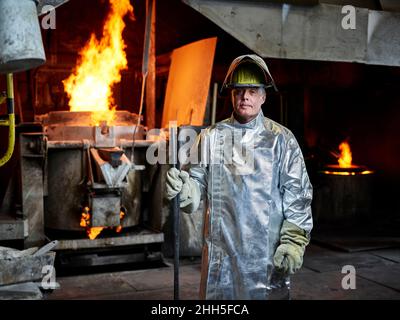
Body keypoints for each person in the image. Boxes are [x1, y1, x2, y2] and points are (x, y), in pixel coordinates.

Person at [166, 54, 313, 300]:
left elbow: (298, 195)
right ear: (232, 94)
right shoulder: (211, 137)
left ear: (263, 96)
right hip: (220, 256)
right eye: (239, 90)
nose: (245, 96)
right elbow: (197, 182)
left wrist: (293, 242)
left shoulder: (281, 140)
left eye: (253, 91)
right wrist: (186, 190)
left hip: (266, 256)